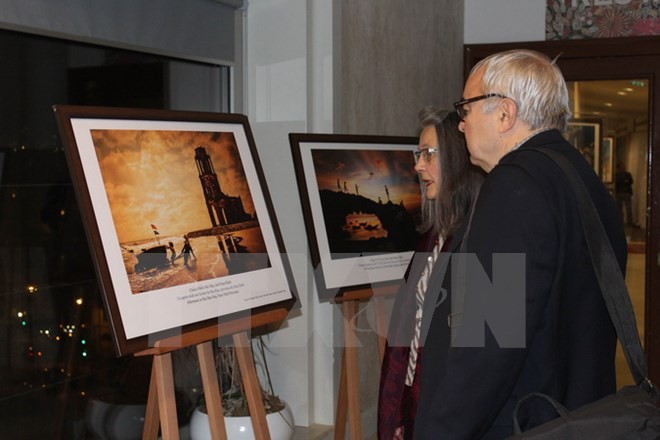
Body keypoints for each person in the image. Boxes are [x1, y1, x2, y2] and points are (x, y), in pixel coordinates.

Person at [414, 49, 627, 439]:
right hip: (577, 416)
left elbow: (487, 348)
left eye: (466, 109)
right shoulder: (581, 179)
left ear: (505, 114)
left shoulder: (514, 188)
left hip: (520, 422)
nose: (461, 126)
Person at [378, 107, 484, 440]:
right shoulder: (432, 237)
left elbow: (481, 359)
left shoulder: (482, 237)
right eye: (418, 153)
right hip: (417, 406)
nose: (417, 165)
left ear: (456, 157)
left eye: (427, 154)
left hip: (449, 415)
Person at [615, 161, 635, 226]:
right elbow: (617, 183)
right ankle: (621, 222)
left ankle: (629, 222)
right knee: (620, 209)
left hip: (626, 192)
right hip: (620, 192)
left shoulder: (627, 174)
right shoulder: (617, 175)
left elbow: (631, 181)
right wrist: (625, 181)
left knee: (628, 208)